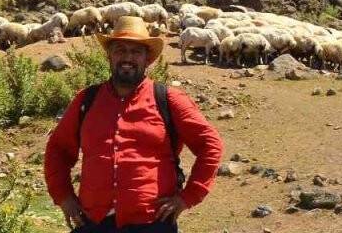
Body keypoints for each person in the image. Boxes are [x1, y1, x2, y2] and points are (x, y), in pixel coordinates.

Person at [45, 15, 224, 232]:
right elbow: (58, 149)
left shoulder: (168, 99)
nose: (127, 57)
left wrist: (188, 197)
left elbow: (210, 144)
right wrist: (64, 196)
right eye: (120, 49)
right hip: (93, 222)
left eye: (136, 51)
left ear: (147, 59)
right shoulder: (86, 100)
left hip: (151, 223)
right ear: (109, 55)